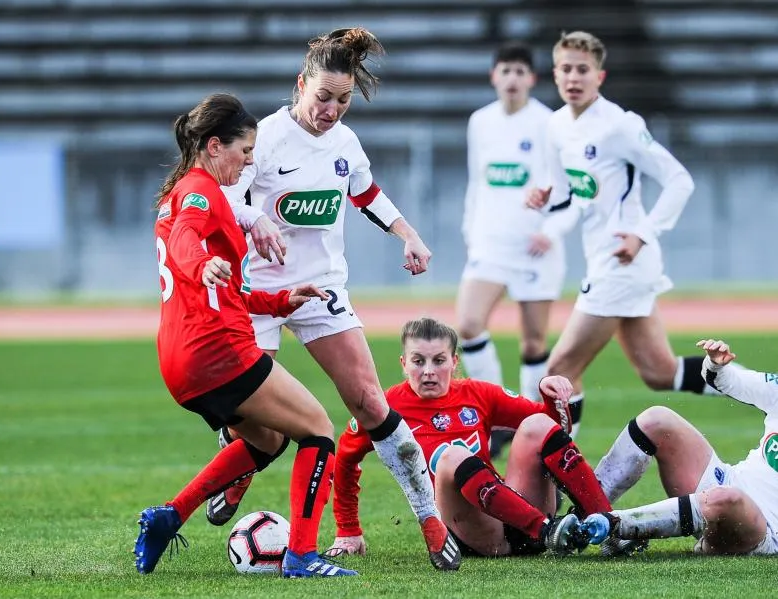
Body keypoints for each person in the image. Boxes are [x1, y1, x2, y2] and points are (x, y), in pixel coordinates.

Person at [210, 27, 460, 571]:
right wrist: (256, 223)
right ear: (301, 85)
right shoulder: (267, 138)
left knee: (371, 402)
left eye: (343, 100)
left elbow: (365, 192)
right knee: (254, 419)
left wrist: (409, 235)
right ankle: (237, 469)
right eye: (323, 96)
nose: (331, 110)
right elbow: (224, 195)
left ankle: (430, 519)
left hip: (321, 287)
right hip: (257, 291)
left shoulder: (345, 143)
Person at [133, 93, 357, 578]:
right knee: (319, 430)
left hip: (181, 362)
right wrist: (201, 262)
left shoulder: (184, 193)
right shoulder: (200, 192)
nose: (251, 161)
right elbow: (184, 241)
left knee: (270, 439)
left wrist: (280, 302)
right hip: (218, 352)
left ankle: (169, 517)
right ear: (215, 146)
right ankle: (302, 556)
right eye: (245, 151)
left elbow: (224, 285)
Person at [525, 30, 711, 439]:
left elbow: (680, 180)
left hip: (623, 261)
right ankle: (762, 388)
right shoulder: (555, 126)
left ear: (600, 76)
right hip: (605, 259)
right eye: (566, 69)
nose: (574, 78)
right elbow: (567, 193)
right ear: (554, 74)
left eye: (583, 70)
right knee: (658, 372)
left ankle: (557, 480)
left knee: (559, 373)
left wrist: (641, 234)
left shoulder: (620, 126)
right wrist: (544, 194)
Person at [327, 317, 615, 559]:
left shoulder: (478, 392)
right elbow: (346, 458)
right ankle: (548, 530)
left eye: (438, 360)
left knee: (535, 424)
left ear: (454, 362)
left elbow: (550, 429)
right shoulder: (385, 407)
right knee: (452, 456)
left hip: (514, 511)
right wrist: (348, 529)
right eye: (418, 361)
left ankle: (609, 525)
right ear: (404, 363)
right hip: (472, 532)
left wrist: (550, 396)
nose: (428, 371)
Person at [455, 41, 567, 459]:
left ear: (532, 79)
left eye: (521, 72)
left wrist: (551, 229)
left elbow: (567, 183)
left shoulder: (549, 123)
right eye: (506, 70)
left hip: (535, 246)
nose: (513, 79)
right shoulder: (480, 122)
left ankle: (531, 423)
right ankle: (498, 415)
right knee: (468, 323)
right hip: (490, 243)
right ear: (494, 76)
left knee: (534, 342)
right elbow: (476, 180)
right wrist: (471, 230)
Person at [588, 338, 778, 556]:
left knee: (727, 499)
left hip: (763, 530)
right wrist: (716, 365)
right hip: (727, 483)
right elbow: (728, 381)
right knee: (657, 420)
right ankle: (585, 511)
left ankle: (611, 526)